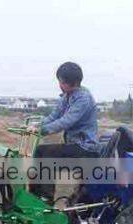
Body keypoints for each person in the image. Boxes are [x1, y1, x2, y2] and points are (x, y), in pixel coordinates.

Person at [28, 62, 99, 204]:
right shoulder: (66, 96)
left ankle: (46, 200)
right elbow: (54, 116)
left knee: (49, 156)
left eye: (60, 81)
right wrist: (36, 125)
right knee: (39, 151)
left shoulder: (83, 98)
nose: (59, 84)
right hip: (74, 145)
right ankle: (33, 197)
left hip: (85, 148)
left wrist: (42, 131)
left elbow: (66, 121)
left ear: (68, 83)